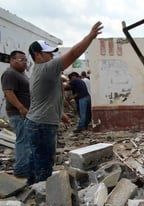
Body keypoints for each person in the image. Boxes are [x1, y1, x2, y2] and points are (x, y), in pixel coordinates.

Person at [25, 21, 103, 184]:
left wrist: (60, 114)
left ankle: (33, 189)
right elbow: (73, 53)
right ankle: (43, 196)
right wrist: (89, 37)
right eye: (48, 53)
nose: (52, 56)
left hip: (37, 123)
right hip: (42, 125)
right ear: (37, 55)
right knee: (44, 164)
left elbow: (48, 97)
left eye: (53, 53)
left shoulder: (41, 71)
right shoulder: (46, 68)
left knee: (36, 160)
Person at [1, 50, 31, 179]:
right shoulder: (10, 74)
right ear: (12, 60)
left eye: (25, 60)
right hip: (18, 113)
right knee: (23, 140)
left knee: (27, 140)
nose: (24, 62)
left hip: (25, 113)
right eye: (21, 60)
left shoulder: (21, 74)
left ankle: (26, 167)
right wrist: (21, 108)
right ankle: (21, 170)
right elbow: (8, 93)